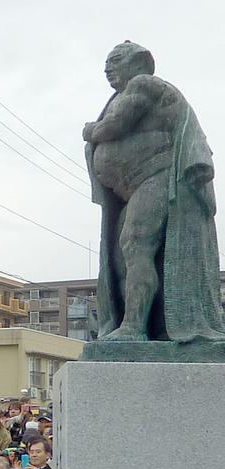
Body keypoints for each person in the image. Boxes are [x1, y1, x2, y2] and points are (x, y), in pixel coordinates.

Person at [84, 41, 225, 342]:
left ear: (140, 62)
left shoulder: (144, 85)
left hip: (159, 176)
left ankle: (134, 328)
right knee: (123, 258)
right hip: (132, 188)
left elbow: (114, 126)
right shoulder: (122, 94)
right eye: (107, 62)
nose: (107, 68)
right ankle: (135, 324)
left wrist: (90, 131)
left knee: (135, 245)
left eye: (116, 60)